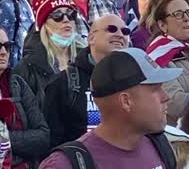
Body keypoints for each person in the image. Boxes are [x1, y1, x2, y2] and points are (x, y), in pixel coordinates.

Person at [39, 48, 180, 168]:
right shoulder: (66, 164)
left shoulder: (160, 146)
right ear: (126, 101)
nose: (165, 97)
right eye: (155, 89)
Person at [43, 14, 129, 148]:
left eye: (125, 31)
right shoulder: (63, 83)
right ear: (91, 38)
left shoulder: (134, 80)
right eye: (111, 29)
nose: (120, 35)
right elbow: (51, 141)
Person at [0, 27, 50, 166]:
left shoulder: (18, 83)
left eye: (7, 46)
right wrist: (22, 143)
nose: (3, 52)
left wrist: (1, 140)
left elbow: (43, 136)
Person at [13, 0, 86, 110]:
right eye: (57, 15)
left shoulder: (86, 59)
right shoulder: (27, 67)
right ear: (44, 24)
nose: (66, 20)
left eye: (71, 15)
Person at [146, 0, 189, 125]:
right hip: (181, 134)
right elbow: (176, 104)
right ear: (162, 25)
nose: (186, 18)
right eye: (178, 14)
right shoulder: (157, 58)